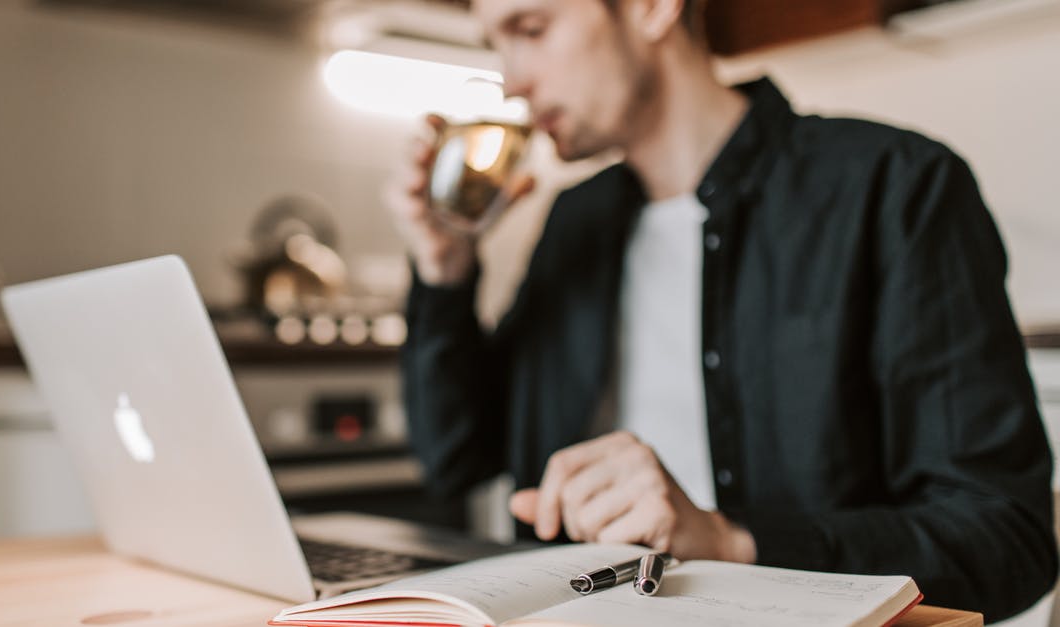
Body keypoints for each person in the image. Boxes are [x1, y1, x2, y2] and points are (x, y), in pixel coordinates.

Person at [385, 0, 1057, 621]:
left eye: (530, 31)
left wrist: (729, 540)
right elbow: (455, 459)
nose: (512, 82)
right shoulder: (575, 221)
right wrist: (445, 271)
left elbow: (1005, 538)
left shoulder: (894, 186)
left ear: (652, 8)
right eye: (496, 44)